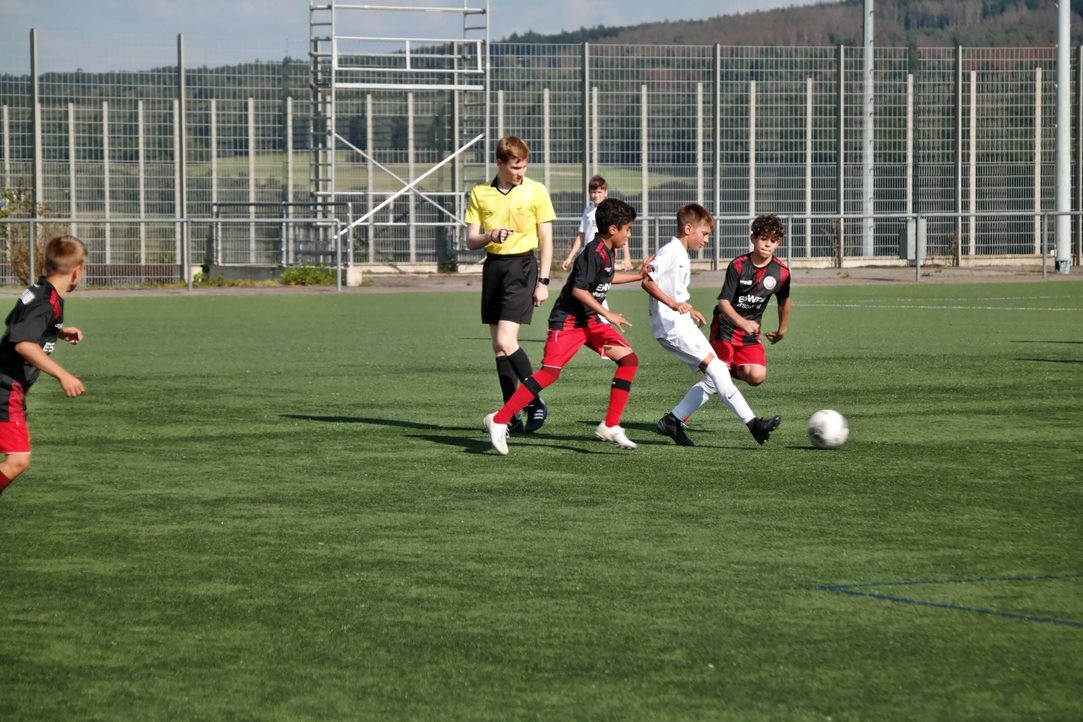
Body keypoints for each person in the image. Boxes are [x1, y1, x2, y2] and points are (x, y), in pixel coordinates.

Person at [483, 198, 645, 455]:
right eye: (628, 229)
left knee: (629, 361)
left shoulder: (609, 250)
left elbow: (607, 278)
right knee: (549, 373)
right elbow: (579, 290)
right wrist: (607, 313)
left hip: (590, 322)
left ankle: (611, 425)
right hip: (568, 322)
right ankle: (500, 419)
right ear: (613, 229)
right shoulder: (593, 252)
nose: (629, 235)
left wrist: (639, 275)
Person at [641, 205, 782, 447]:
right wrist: (674, 304)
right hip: (671, 326)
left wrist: (687, 307)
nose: (707, 240)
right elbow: (647, 280)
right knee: (718, 370)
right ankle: (753, 424)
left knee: (716, 375)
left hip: (681, 322)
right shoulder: (672, 251)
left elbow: (670, 287)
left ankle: (672, 421)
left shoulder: (681, 252)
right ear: (688, 229)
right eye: (704, 233)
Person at [465, 136, 555, 434]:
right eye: (515, 167)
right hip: (494, 269)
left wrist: (543, 281)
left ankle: (534, 401)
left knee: (506, 340)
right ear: (500, 163)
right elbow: (471, 240)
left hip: (523, 268)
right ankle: (512, 415)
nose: (521, 172)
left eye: (524, 166)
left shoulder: (536, 190)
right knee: (499, 348)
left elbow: (546, 239)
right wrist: (490, 236)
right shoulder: (480, 193)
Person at [0, 235, 88, 498]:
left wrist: (56, 331)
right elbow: (23, 343)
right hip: (6, 389)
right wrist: (63, 375)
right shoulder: (46, 301)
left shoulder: (40, 290)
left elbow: (15, 323)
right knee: (18, 460)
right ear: (77, 271)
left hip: (7, 385)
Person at [561, 175, 633, 272]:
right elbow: (581, 236)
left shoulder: (611, 211)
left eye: (599, 192)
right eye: (593, 192)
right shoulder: (587, 211)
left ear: (606, 192)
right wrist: (570, 257)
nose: (596, 195)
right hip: (590, 254)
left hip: (605, 253)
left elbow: (622, 233)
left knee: (603, 279)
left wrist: (627, 257)